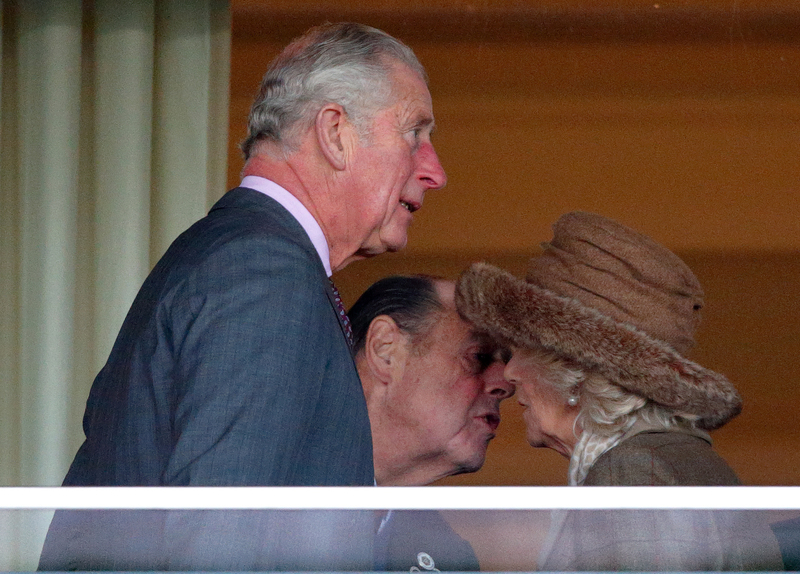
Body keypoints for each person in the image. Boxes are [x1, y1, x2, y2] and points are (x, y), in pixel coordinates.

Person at [39, 22, 446, 571]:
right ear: (335, 133)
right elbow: (218, 548)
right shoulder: (265, 276)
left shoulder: (236, 254)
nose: (434, 171)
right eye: (413, 133)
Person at [455, 211, 784, 571]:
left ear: (577, 377)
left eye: (524, 349)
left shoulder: (630, 472)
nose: (511, 373)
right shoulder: (670, 457)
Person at [349, 275, 514, 571]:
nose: (506, 384)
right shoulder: (262, 486)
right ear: (386, 350)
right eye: (479, 356)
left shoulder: (451, 558)